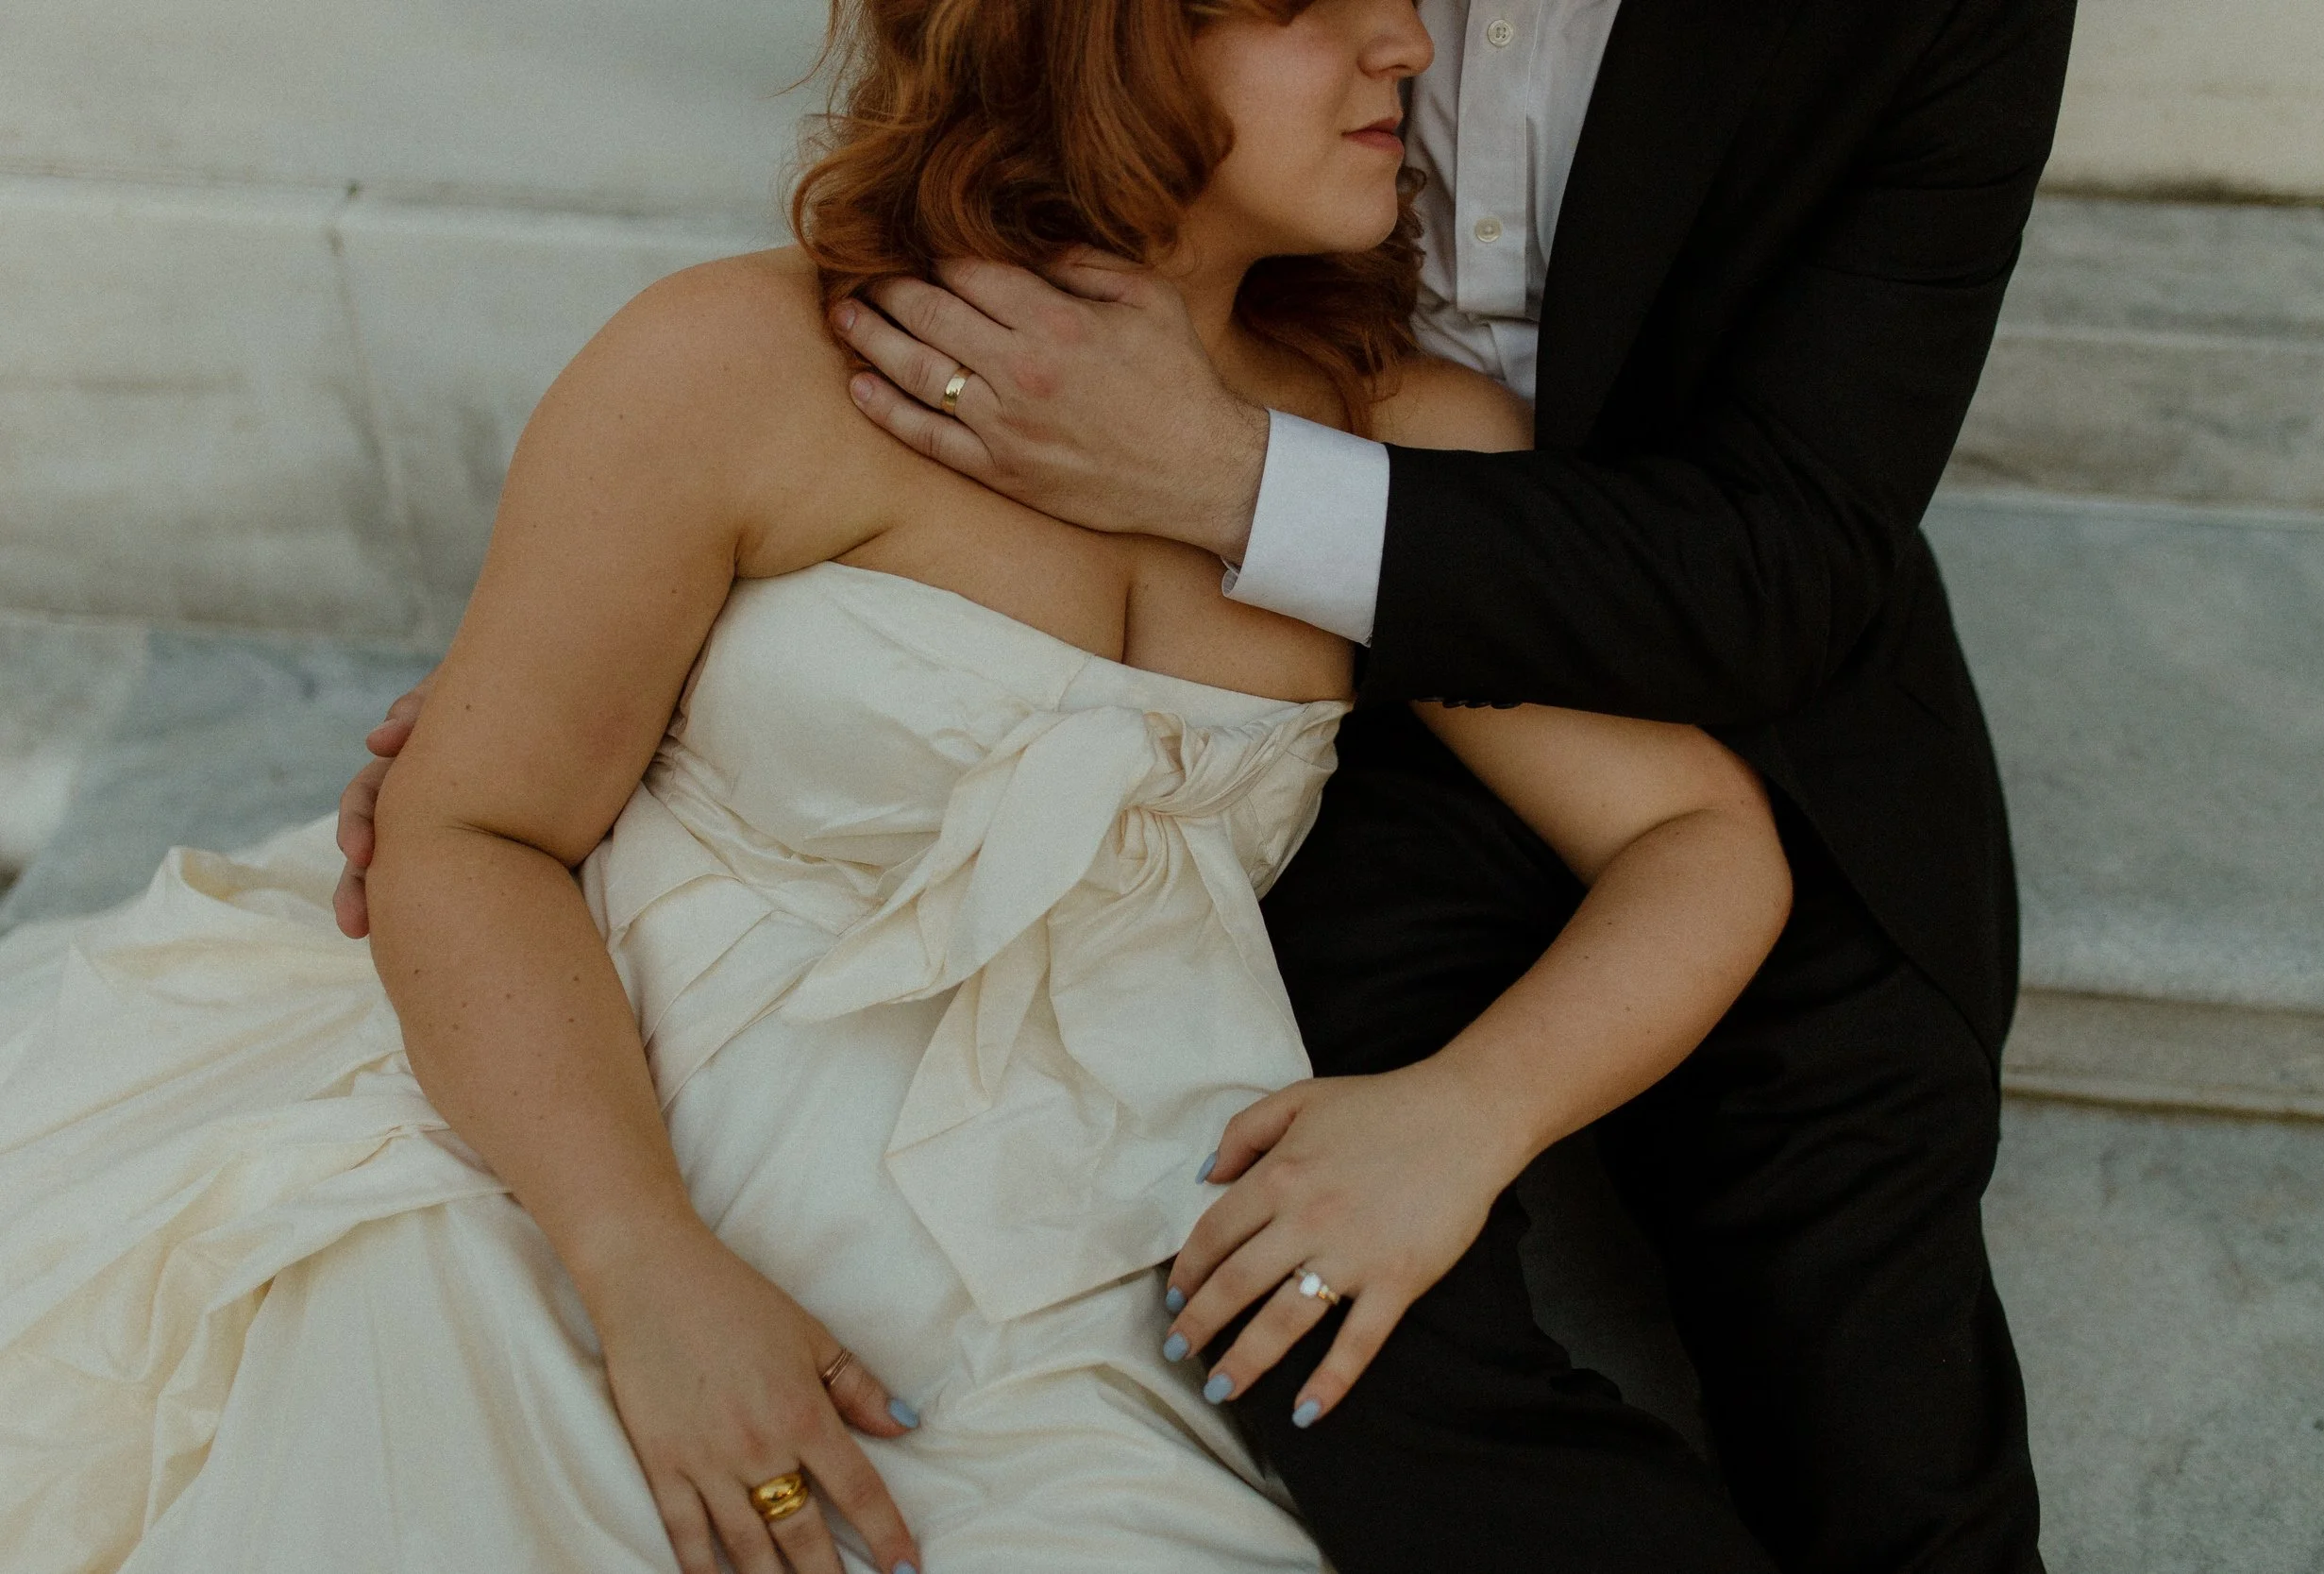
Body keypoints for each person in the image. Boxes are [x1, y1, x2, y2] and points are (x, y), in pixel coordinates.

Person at [0, 3, 1795, 1572]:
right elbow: (471, 831)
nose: (1403, 38)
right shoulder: (746, 361)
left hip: (1079, 1259)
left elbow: (1699, 839)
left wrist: (1465, 1119)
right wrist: (644, 1269)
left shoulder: (1398, 437)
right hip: (592, 1153)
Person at [708, 0, 2084, 1570]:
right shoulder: (779, 355)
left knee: (1883, 1415)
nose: (1402, 42)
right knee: (1306, 1310)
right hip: (1302, 711)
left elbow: (1788, 566)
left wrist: (1227, 473)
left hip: (1738, 694)